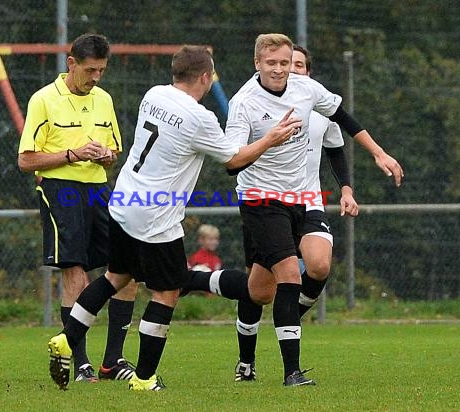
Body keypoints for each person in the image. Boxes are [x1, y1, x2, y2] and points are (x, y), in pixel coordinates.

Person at [46, 45, 303, 391]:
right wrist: (270, 139)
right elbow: (233, 161)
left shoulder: (154, 94)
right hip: (155, 218)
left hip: (125, 201)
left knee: (114, 277)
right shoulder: (199, 118)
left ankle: (66, 339)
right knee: (167, 292)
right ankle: (144, 378)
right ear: (204, 77)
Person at [182, 34, 403, 387]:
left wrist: (378, 153)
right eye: (272, 63)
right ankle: (292, 373)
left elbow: (343, 118)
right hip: (260, 199)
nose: (280, 69)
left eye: (285, 63)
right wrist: (271, 139)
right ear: (257, 63)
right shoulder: (244, 102)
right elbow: (232, 162)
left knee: (262, 289)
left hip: (301, 198)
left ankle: (193, 279)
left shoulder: (306, 88)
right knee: (289, 274)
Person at [18, 33, 136, 383]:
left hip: (99, 188)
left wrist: (106, 156)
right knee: (77, 275)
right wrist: (71, 154)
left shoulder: (104, 99)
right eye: (90, 70)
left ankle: (112, 361)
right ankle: (80, 362)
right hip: (59, 190)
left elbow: (114, 155)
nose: (96, 77)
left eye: (101, 70)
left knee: (126, 270)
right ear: (71, 64)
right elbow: (26, 160)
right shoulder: (43, 99)